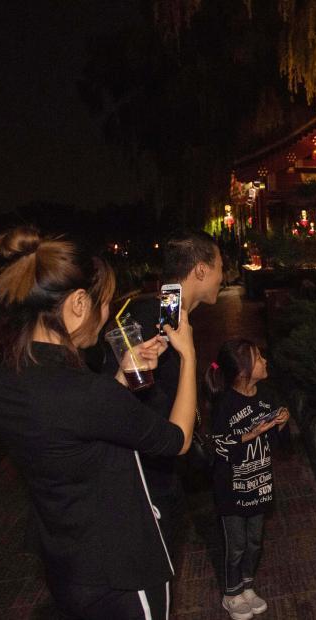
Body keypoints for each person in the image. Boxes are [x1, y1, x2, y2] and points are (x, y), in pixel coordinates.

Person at [0, 227, 198, 618]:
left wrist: (121, 377)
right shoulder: (86, 392)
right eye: (104, 304)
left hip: (66, 565)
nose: (105, 317)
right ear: (79, 303)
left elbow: (72, 428)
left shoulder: (7, 378)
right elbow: (178, 440)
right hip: (121, 574)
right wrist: (188, 357)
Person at [104, 230, 224, 550]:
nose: (222, 277)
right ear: (201, 270)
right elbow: (122, 402)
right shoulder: (149, 321)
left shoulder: (171, 316)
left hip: (166, 471)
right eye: (220, 268)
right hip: (147, 481)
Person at [205, 339, 290, 620]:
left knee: (255, 541)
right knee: (236, 544)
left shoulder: (266, 395)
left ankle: (247, 586)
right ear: (242, 370)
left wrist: (281, 424)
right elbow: (217, 447)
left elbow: (277, 444)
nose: (265, 361)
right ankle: (232, 593)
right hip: (231, 489)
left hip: (260, 484)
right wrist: (249, 435)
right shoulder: (224, 403)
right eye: (258, 357)